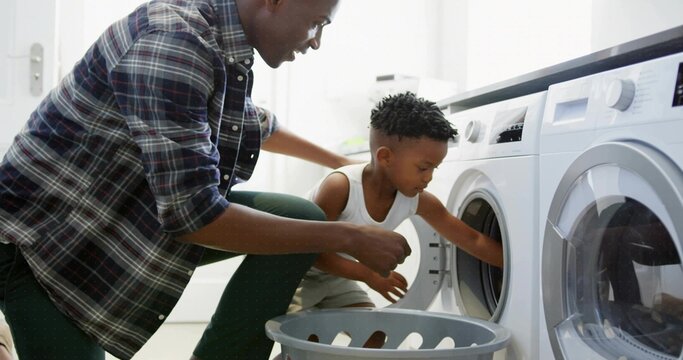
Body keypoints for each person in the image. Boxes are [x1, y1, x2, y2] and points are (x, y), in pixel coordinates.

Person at [0, 0, 411, 359]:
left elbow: (255, 123)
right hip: (44, 241)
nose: (316, 40)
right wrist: (350, 237)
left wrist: (346, 164)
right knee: (314, 229)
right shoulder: (174, 42)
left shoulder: (219, 38)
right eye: (317, 22)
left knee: (301, 215)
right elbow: (193, 215)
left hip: (122, 212)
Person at [288, 92, 504, 347]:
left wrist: (517, 266)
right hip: (297, 274)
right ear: (385, 157)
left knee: (374, 336)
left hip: (338, 278)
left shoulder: (417, 199)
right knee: (305, 343)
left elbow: (472, 238)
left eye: (435, 168)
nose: (429, 177)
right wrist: (370, 275)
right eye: (423, 168)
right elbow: (311, 252)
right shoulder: (341, 187)